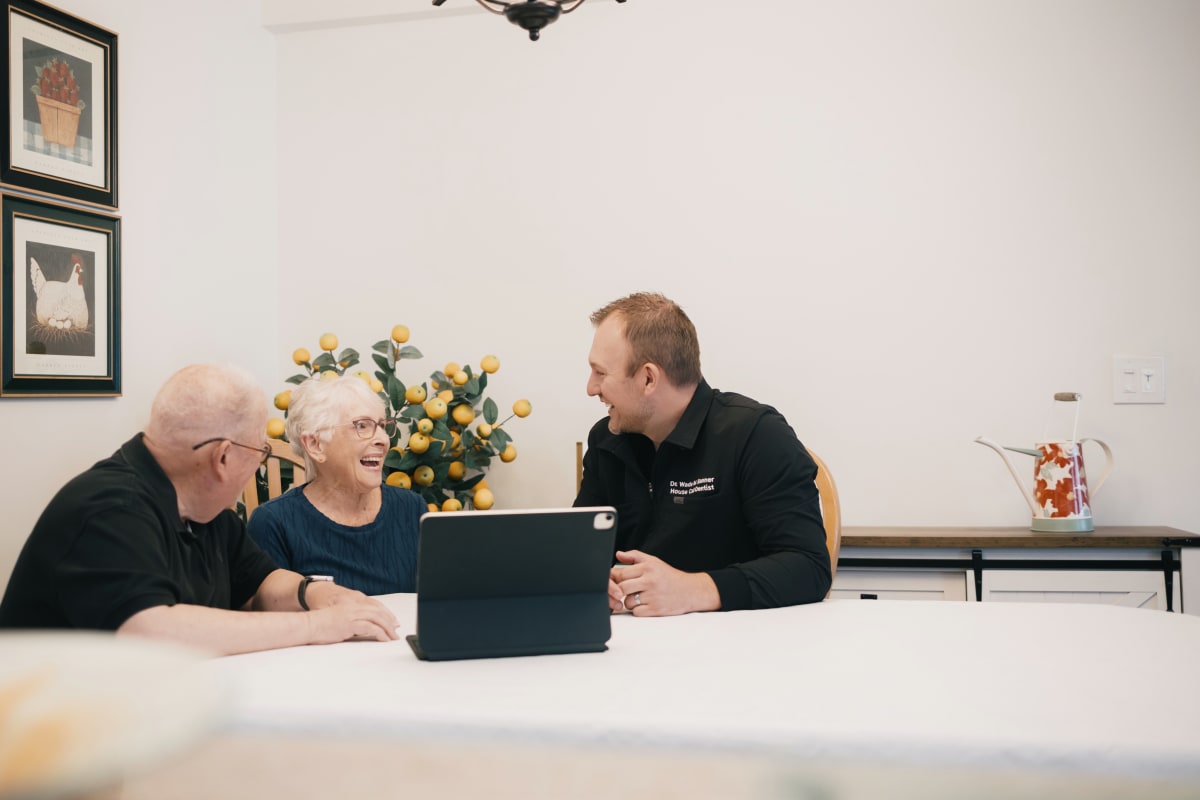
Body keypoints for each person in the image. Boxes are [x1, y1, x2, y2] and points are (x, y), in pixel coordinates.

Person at [0, 364, 399, 655]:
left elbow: (260, 583)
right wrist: (315, 625)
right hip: (49, 741)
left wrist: (316, 594)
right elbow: (150, 630)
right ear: (223, 458)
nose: (259, 462)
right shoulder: (107, 509)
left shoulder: (208, 511)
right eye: (259, 451)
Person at [574, 292, 830, 616]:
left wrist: (694, 590)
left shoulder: (756, 434)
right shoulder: (606, 441)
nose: (590, 388)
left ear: (648, 378)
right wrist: (594, 581)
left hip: (746, 649)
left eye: (600, 373)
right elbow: (583, 552)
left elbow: (809, 567)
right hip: (632, 649)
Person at [247, 375, 422, 595]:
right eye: (362, 426)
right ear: (315, 444)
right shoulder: (273, 523)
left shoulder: (411, 508)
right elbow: (270, 620)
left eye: (381, 425)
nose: (383, 440)